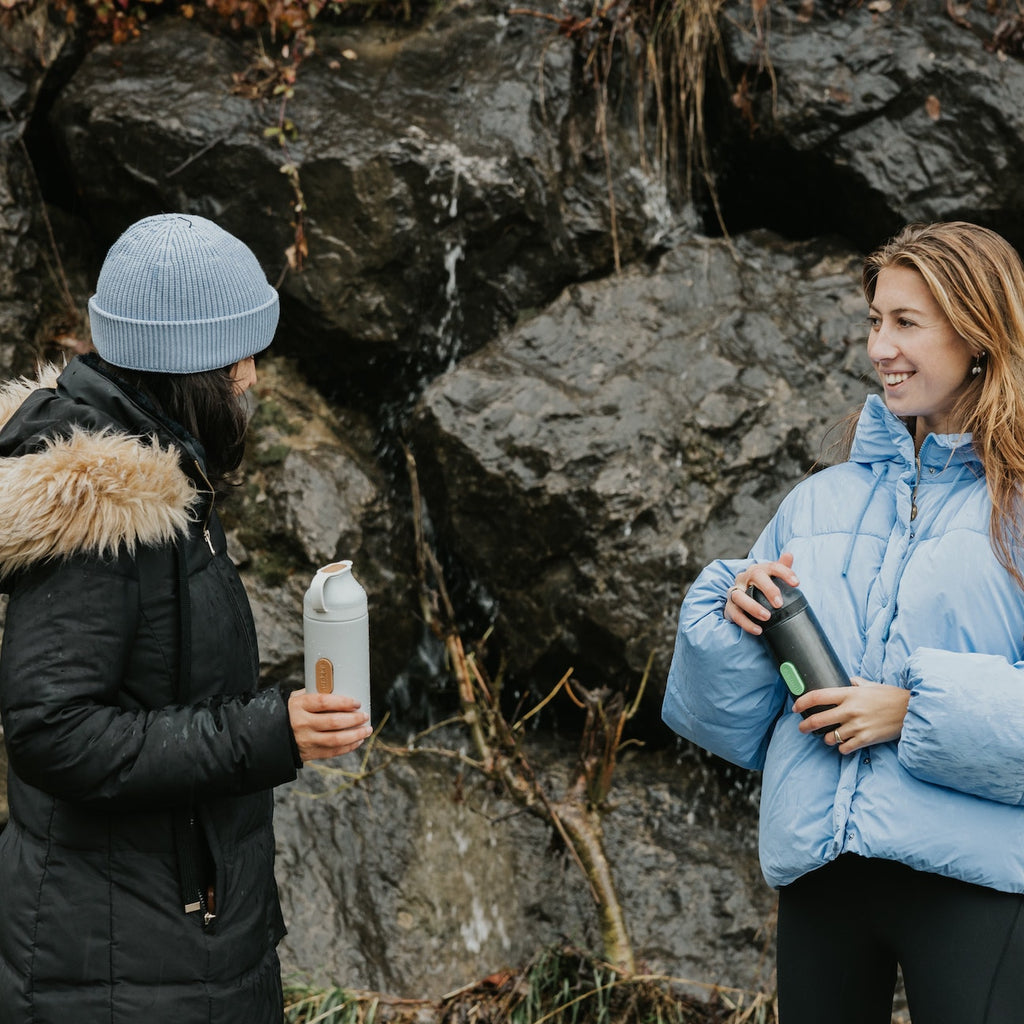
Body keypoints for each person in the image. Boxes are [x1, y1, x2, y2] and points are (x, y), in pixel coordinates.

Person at [0, 213, 373, 1024]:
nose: (252, 378)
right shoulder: (102, 509)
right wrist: (268, 733)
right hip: (116, 967)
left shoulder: (167, 479)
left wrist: (280, 715)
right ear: (191, 366)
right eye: (242, 357)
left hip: (177, 939)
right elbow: (50, 731)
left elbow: (155, 686)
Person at [662, 221, 1024, 1024]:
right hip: (822, 873)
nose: (880, 348)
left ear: (978, 334)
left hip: (977, 883)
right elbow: (732, 724)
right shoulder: (817, 502)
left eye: (907, 323)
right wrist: (734, 620)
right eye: (874, 321)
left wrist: (912, 711)